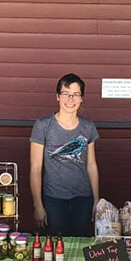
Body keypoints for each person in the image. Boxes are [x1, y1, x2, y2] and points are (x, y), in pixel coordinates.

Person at [30, 73, 100, 236]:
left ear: (81, 98)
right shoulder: (43, 125)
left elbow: (91, 165)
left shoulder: (88, 127)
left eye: (76, 95)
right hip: (53, 199)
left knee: (79, 243)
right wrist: (38, 205)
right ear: (58, 97)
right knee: (56, 246)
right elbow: (35, 168)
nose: (71, 99)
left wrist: (96, 200)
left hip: (83, 199)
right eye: (66, 94)